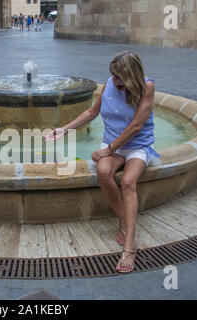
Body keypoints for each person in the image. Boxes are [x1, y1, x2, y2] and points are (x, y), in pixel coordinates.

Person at [45, 51, 160, 274]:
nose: (114, 80)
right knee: (103, 172)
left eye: (119, 78)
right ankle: (123, 222)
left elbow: (136, 126)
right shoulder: (109, 84)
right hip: (113, 145)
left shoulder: (147, 88)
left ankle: (130, 246)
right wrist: (64, 129)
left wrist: (110, 148)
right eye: (113, 76)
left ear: (131, 77)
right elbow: (91, 112)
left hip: (137, 145)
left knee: (128, 181)